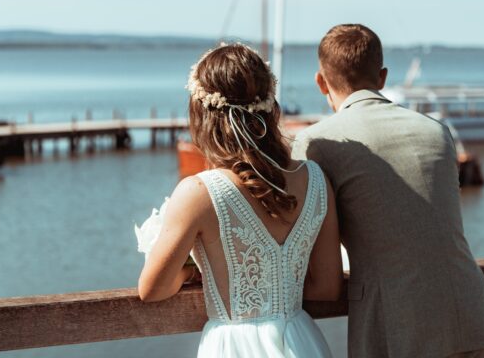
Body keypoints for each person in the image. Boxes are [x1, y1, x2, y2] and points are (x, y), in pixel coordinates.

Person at [292, 24, 484, 358]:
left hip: (395, 327)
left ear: (321, 81)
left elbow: (299, 236)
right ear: (382, 77)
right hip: (472, 315)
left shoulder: (317, 142)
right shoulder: (436, 131)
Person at [136, 43, 343, 358]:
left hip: (234, 347)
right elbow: (327, 287)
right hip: (301, 340)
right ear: (270, 107)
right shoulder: (316, 179)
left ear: (201, 112)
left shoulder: (199, 192)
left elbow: (152, 290)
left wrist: (192, 271)